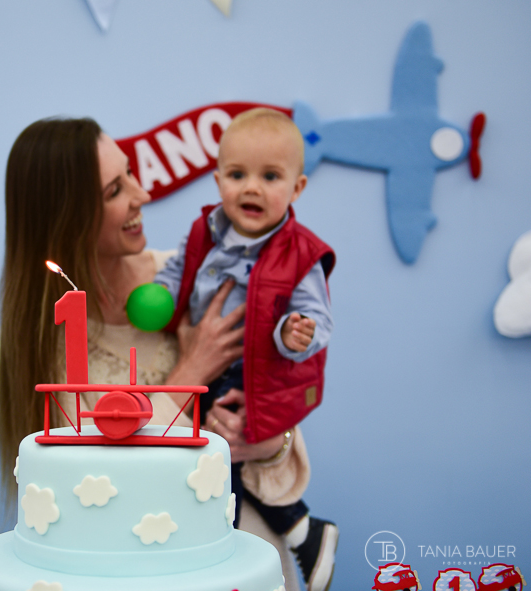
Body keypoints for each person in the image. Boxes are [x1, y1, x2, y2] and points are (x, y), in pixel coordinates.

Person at [0, 116, 313, 591]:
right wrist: (191, 370)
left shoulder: (193, 281)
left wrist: (272, 443)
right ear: (66, 218)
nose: (141, 196)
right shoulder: (55, 341)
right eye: (114, 191)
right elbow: (100, 485)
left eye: (130, 174)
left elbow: (277, 408)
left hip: (239, 558)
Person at [153, 108, 337, 591]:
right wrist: (162, 293)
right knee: (199, 457)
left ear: (297, 188)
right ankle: (303, 530)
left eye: (270, 177)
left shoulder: (299, 253)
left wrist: (294, 333)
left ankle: (226, 545)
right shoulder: (206, 232)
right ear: (218, 181)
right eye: (237, 175)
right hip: (209, 369)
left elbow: (315, 317)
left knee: (219, 459)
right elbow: (178, 268)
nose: (251, 188)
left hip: (254, 373)